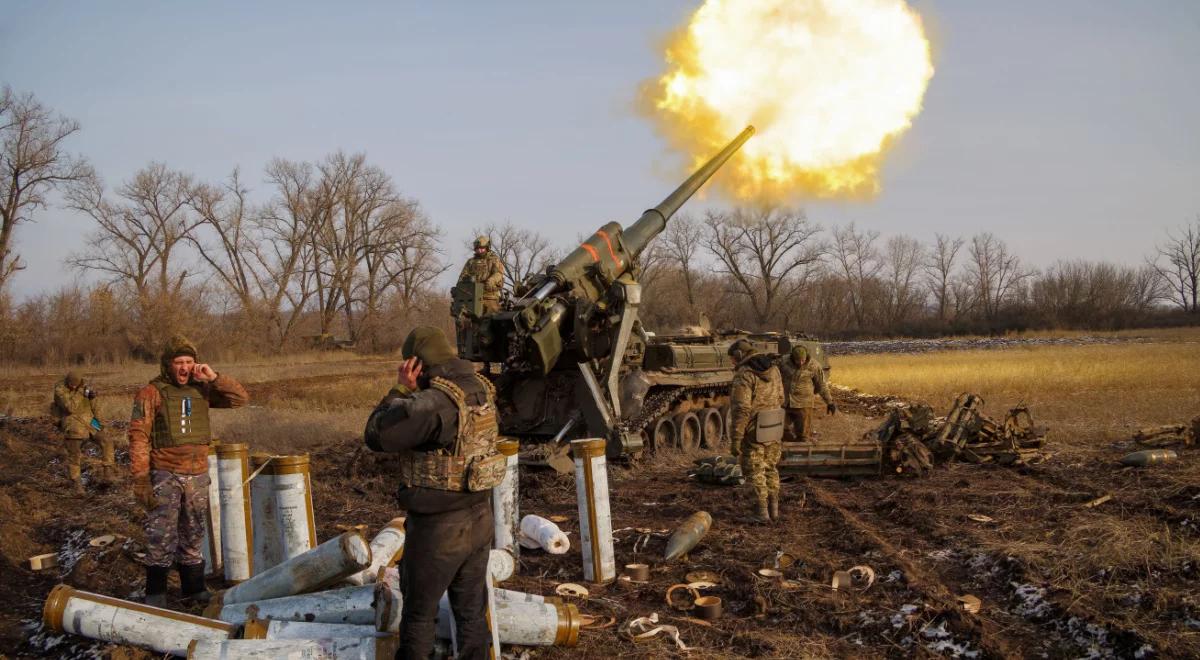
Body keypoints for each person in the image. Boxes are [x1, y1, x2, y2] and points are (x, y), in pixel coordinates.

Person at [364, 327, 504, 660]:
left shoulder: (431, 403)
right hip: (481, 516)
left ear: (416, 364)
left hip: (438, 528)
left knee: (418, 615)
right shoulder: (480, 388)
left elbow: (376, 435)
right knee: (470, 611)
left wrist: (399, 389)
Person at [129, 335, 248, 607]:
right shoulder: (151, 392)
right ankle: (156, 592)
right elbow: (138, 436)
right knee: (161, 534)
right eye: (178, 362)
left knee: (193, 532)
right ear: (167, 365)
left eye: (189, 362)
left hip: (196, 473)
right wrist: (140, 479)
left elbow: (239, 399)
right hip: (165, 473)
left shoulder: (202, 389)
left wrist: (213, 376)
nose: (184, 367)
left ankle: (194, 588)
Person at [726, 339, 785, 523]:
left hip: (754, 429)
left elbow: (741, 409)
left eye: (732, 359)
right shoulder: (774, 369)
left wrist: (736, 438)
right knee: (771, 467)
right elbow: (782, 397)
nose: (732, 363)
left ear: (738, 356)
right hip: (774, 425)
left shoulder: (745, 375)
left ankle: (761, 513)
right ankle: (774, 511)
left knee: (754, 470)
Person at [52, 370, 115, 493]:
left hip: (90, 423)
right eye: (72, 384)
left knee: (107, 441)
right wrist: (81, 392)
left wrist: (101, 423)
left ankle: (108, 472)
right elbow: (70, 407)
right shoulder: (60, 390)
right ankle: (77, 485)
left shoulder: (85, 388)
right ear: (67, 382)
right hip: (72, 424)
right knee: (74, 457)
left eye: (77, 384)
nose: (74, 386)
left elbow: (95, 406)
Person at [780, 346, 836, 442]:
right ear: (793, 358)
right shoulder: (783, 362)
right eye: (798, 361)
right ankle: (784, 453)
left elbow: (821, 385)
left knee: (803, 435)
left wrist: (829, 402)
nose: (801, 363)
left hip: (804, 405)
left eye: (803, 360)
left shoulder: (814, 365)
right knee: (781, 431)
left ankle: (800, 453)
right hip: (786, 403)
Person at [456, 236, 505, 316]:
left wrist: (491, 281)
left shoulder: (494, 260)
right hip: (472, 296)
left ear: (487, 248)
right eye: (477, 248)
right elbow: (462, 276)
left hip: (489, 296)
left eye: (482, 248)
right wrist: (462, 286)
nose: (479, 250)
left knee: (491, 317)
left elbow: (498, 274)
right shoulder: (471, 262)